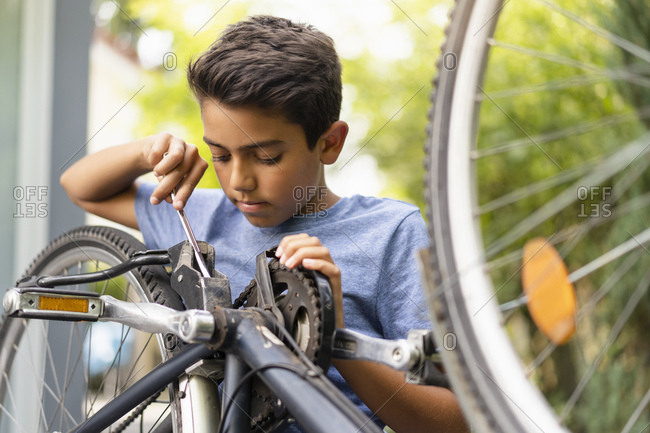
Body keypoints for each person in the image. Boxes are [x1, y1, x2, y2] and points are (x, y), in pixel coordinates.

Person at [61, 15, 468, 433]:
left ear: (330, 143)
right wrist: (146, 152)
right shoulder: (198, 214)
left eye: (266, 157)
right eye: (220, 155)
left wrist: (333, 331)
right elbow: (80, 187)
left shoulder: (391, 234)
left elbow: (454, 422)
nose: (239, 181)